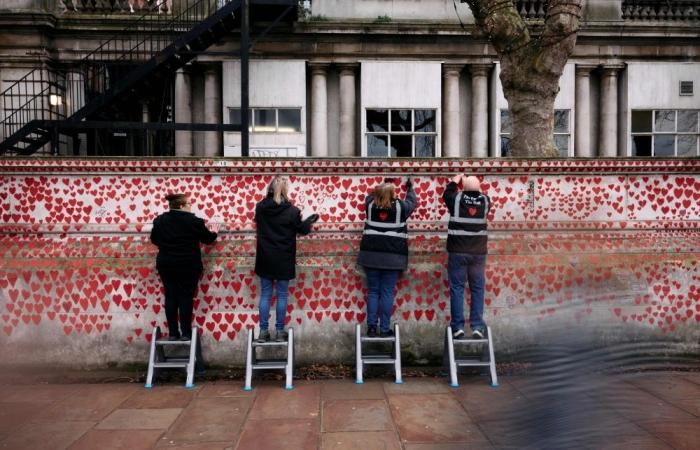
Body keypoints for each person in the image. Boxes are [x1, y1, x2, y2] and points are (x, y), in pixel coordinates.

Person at [255, 176, 319, 342]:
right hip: (284, 257)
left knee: (265, 294)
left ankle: (263, 332)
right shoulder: (293, 211)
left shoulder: (260, 208)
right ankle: (279, 331)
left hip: (265, 256)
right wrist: (310, 220)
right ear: (285, 190)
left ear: (269, 188)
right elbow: (302, 230)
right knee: (282, 295)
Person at [150, 193, 219, 341]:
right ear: (181, 206)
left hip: (166, 263)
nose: (190, 207)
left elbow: (154, 239)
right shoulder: (194, 221)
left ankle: (173, 333)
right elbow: (207, 239)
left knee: (170, 296)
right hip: (188, 265)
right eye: (189, 204)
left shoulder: (160, 221)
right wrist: (215, 232)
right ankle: (186, 333)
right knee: (186, 297)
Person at [358, 178, 417, 337]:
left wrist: (382, 187)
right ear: (393, 194)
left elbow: (372, 195)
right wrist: (409, 188)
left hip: (370, 257)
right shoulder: (400, 207)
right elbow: (412, 202)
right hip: (392, 258)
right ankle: (384, 329)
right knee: (386, 293)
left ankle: (371, 328)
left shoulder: (369, 205)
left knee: (373, 292)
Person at [442, 174, 491, 340]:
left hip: (457, 252)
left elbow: (447, 193)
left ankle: (458, 328)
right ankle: (477, 326)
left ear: (463, 189)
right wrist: (475, 188)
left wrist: (456, 179)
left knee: (457, 288)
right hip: (478, 254)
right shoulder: (485, 201)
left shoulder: (456, 200)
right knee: (477, 289)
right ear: (478, 189)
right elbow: (481, 194)